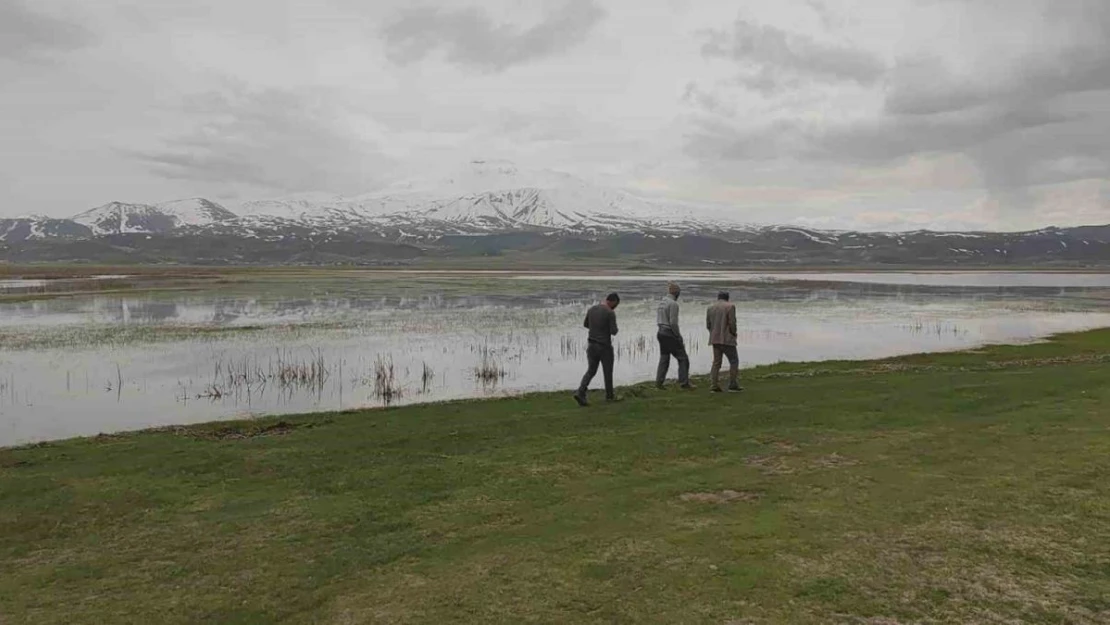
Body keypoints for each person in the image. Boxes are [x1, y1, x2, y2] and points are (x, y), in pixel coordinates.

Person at [574, 292, 620, 406]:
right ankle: (609, 396)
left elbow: (585, 324)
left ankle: (581, 391)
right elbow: (614, 331)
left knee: (591, 371)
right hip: (604, 346)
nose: (616, 307)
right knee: (608, 372)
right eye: (616, 304)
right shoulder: (610, 313)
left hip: (591, 345)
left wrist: (596, 328)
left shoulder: (592, 309)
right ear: (612, 301)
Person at [656, 282, 695, 390]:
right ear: (677, 294)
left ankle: (659, 383)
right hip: (669, 333)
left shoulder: (662, 302)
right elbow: (673, 323)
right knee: (683, 358)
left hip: (660, 332)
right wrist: (678, 335)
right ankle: (684, 382)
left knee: (664, 358)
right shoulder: (673, 304)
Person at [706, 291, 742, 393]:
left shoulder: (710, 308)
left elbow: (708, 324)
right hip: (727, 338)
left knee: (716, 363)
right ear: (727, 298)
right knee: (734, 361)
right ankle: (733, 384)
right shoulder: (730, 307)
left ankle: (714, 385)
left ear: (718, 298)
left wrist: (712, 333)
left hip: (714, 339)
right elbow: (732, 323)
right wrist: (734, 333)